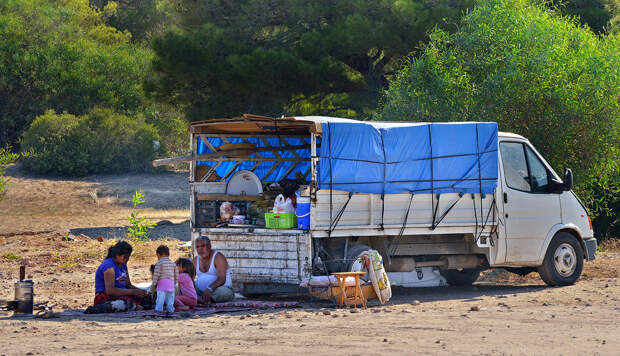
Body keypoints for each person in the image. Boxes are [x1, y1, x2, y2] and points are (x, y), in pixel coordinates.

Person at [93, 241, 148, 308]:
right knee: (124, 304)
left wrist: (141, 292)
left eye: (128, 257)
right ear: (117, 255)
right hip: (106, 297)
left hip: (121, 294)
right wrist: (133, 292)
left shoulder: (123, 265)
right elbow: (110, 291)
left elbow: (128, 285)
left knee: (147, 299)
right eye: (125, 257)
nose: (127, 259)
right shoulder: (109, 267)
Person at [193, 235, 234, 304]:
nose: (200, 249)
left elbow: (221, 279)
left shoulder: (218, 257)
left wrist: (209, 289)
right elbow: (189, 278)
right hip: (201, 292)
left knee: (224, 293)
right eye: (197, 247)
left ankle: (202, 300)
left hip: (218, 290)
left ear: (209, 246)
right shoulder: (195, 260)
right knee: (185, 290)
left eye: (203, 246)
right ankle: (202, 299)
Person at [151, 245, 178, 313]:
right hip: (171, 284)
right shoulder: (173, 263)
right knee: (170, 300)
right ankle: (170, 310)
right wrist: (175, 283)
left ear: (158, 254)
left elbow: (156, 274)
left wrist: (153, 285)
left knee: (160, 299)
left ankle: (158, 310)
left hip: (162, 284)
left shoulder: (159, 263)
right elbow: (176, 274)